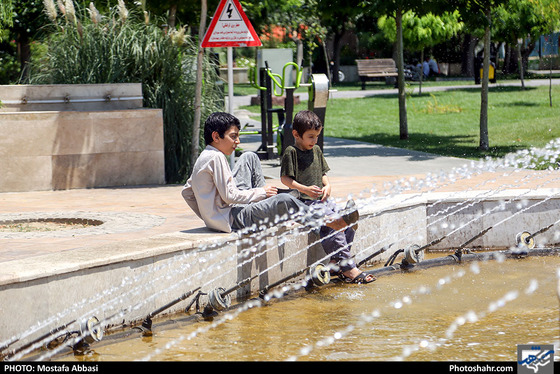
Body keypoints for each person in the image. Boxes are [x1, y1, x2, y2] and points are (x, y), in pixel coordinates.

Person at [182, 112, 357, 235]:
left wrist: (209, 217)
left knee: (249, 157)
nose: (238, 141)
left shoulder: (205, 156)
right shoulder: (216, 158)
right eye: (233, 136)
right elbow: (229, 196)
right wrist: (261, 192)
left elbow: (187, 191)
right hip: (234, 218)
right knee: (286, 201)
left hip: (229, 212)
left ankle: (268, 203)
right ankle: (333, 222)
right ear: (216, 136)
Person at [280, 110, 375, 284]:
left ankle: (335, 262)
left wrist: (328, 185)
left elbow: (323, 173)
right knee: (333, 223)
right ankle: (349, 268)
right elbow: (285, 179)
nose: (314, 140)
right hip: (304, 203)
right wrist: (305, 189)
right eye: (310, 136)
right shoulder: (291, 152)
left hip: (322, 201)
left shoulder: (316, 150)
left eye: (317, 136)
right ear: (296, 134)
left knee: (348, 221)